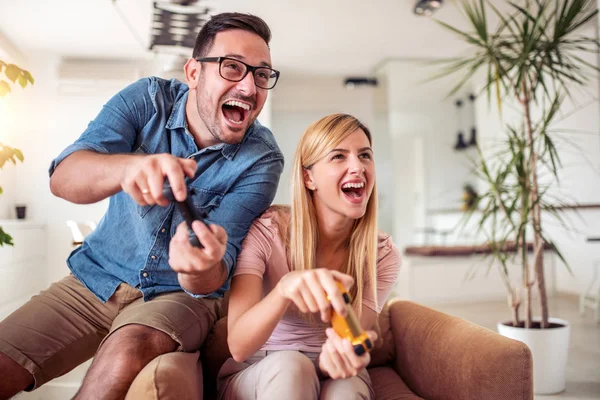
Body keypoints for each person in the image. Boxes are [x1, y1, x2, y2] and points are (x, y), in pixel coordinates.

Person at [0, 12, 283, 400]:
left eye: (262, 75)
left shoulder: (261, 159)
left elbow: (213, 276)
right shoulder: (146, 100)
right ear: (194, 73)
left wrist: (199, 267)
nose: (250, 87)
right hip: (94, 279)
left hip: (178, 296)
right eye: (232, 68)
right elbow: (63, 178)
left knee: (126, 352)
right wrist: (128, 166)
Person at [219, 114, 401, 400]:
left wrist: (344, 352)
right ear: (309, 177)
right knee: (293, 367)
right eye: (339, 157)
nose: (358, 167)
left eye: (365, 155)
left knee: (347, 391)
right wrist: (285, 288)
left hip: (333, 370)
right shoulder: (267, 232)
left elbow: (352, 338)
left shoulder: (381, 254)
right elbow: (239, 346)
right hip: (264, 365)